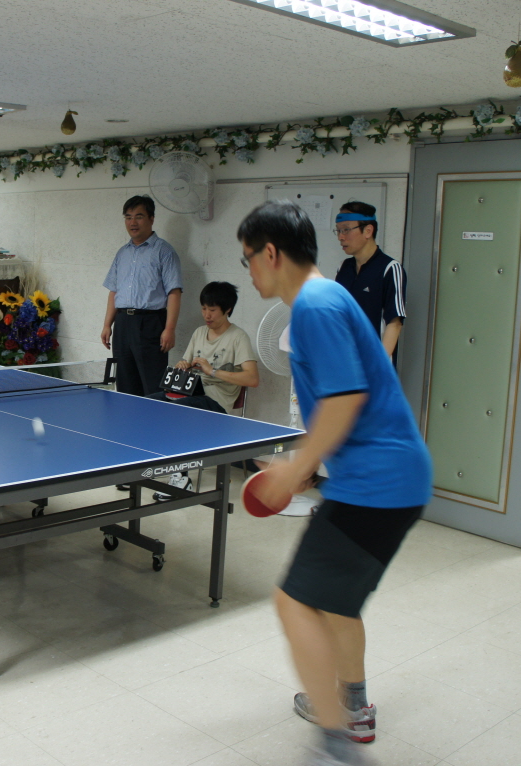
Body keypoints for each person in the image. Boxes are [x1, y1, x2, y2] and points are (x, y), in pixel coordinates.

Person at [239, 201, 432, 766]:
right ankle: (352, 705)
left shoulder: (315, 306)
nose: (249, 272)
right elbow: (338, 405)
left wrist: (295, 472)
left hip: (376, 483)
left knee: (294, 602)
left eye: (248, 258)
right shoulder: (330, 296)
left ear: (270, 253)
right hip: (395, 479)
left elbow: (346, 401)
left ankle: (335, 746)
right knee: (336, 601)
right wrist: (300, 465)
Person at [145, 281, 258, 499]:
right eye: (204, 308)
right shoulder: (199, 332)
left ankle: (182, 479)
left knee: (178, 412)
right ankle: (155, 464)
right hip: (190, 392)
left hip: (217, 401)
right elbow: (186, 363)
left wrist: (212, 371)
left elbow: (252, 379)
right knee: (147, 404)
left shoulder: (238, 337)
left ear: (228, 310)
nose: (207, 314)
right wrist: (183, 365)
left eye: (212, 310)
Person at [101, 195, 182, 396]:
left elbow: (174, 292)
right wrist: (107, 325)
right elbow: (114, 291)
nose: (132, 222)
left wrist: (170, 329)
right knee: (125, 383)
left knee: (153, 385)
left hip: (150, 324)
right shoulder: (122, 253)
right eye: (128, 217)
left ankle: (154, 418)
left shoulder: (164, 251)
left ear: (151, 218)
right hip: (122, 324)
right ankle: (128, 417)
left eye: (139, 216)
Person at [333, 202, 406, 362]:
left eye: (346, 229)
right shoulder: (343, 268)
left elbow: (394, 323)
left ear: (368, 231)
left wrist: (377, 365)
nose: (340, 237)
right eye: (338, 230)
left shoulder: (390, 268)